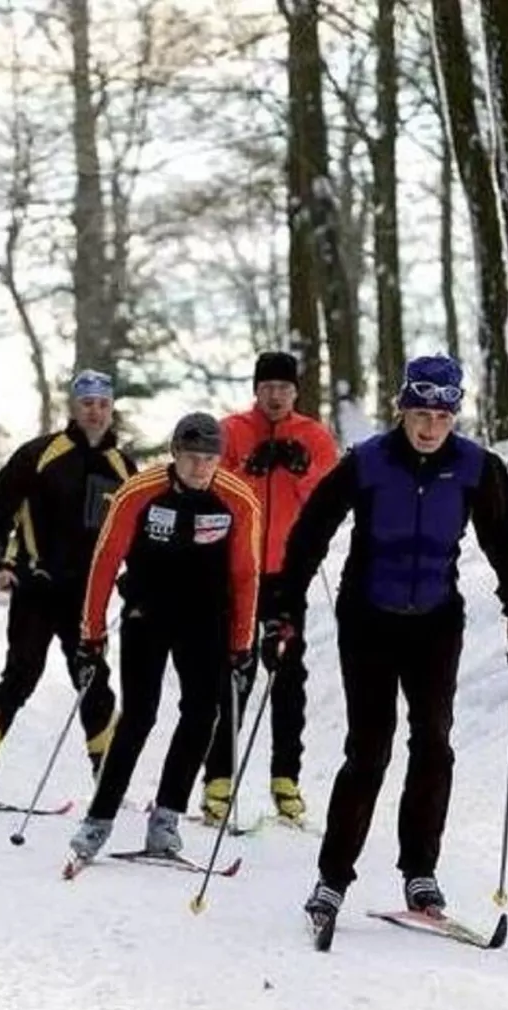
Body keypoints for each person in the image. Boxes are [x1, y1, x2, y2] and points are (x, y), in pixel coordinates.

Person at [270, 354, 508, 923]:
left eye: (442, 418)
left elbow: (506, 538)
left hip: (436, 618)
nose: (430, 428)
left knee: (434, 743)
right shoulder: (366, 462)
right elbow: (311, 531)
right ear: (402, 410)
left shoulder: (476, 467)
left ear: (455, 417)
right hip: (368, 616)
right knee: (369, 748)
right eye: (420, 414)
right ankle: (332, 879)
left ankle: (420, 872)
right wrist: (284, 610)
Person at [66, 412, 262, 863]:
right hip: (147, 613)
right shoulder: (140, 491)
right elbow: (105, 560)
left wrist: (241, 642)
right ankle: (98, 821)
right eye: (191, 457)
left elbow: (245, 575)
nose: (200, 467)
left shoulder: (238, 499)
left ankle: (166, 821)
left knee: (202, 714)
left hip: (206, 618)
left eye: (209, 459)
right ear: (174, 454)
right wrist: (91, 633)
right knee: (139, 715)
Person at [0, 369, 138, 806]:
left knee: (94, 684)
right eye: (87, 403)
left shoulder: (123, 468)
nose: (95, 412)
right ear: (73, 407)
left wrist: (135, 581)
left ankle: (107, 782)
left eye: (103, 404)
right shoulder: (40, 454)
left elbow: (133, 535)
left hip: (86, 599)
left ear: (111, 410)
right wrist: (0, 563)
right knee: (20, 678)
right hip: (36, 589)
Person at [199, 350, 338, 826]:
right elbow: (210, 487)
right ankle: (218, 777)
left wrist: (300, 471)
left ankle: (286, 778)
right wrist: (250, 470)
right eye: (267, 388)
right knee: (233, 669)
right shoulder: (231, 430)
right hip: (236, 569)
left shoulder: (314, 436)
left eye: (283, 388)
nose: (275, 396)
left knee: (287, 672)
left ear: (295, 391)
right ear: (255, 390)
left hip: (288, 573)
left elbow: (325, 501)